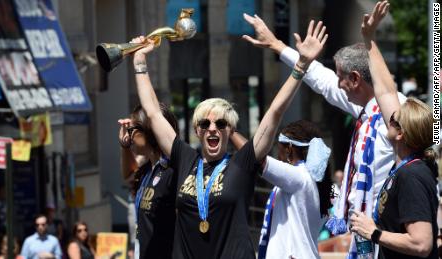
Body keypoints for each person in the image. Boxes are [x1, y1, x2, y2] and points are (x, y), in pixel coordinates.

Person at [130, 16, 327, 258]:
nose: (212, 128)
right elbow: (152, 112)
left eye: (221, 123)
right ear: (197, 130)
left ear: (229, 130)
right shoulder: (185, 160)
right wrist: (140, 62)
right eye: (205, 123)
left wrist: (301, 67)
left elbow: (275, 112)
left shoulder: (241, 163)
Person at [240, 8, 407, 257]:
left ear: (355, 79)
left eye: (342, 78)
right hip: (363, 233)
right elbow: (323, 81)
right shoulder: (364, 107)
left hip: (388, 229)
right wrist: (278, 46)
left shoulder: (397, 112)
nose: (338, 84)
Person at [350, 2, 438, 258]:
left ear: (401, 133)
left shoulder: (412, 176)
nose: (388, 115)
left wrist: (374, 232)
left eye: (393, 118)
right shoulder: (407, 164)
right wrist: (369, 39)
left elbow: (422, 245)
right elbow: (386, 90)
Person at [230, 120, 334, 259]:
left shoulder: (299, 177)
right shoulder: (313, 181)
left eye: (277, 147)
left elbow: (256, 158)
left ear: (289, 148)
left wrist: (230, 131)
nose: (275, 153)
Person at [118, 104, 179, 259]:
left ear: (149, 131)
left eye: (132, 131)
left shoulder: (172, 170)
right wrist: (125, 147)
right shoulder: (148, 168)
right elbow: (129, 174)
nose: (129, 136)